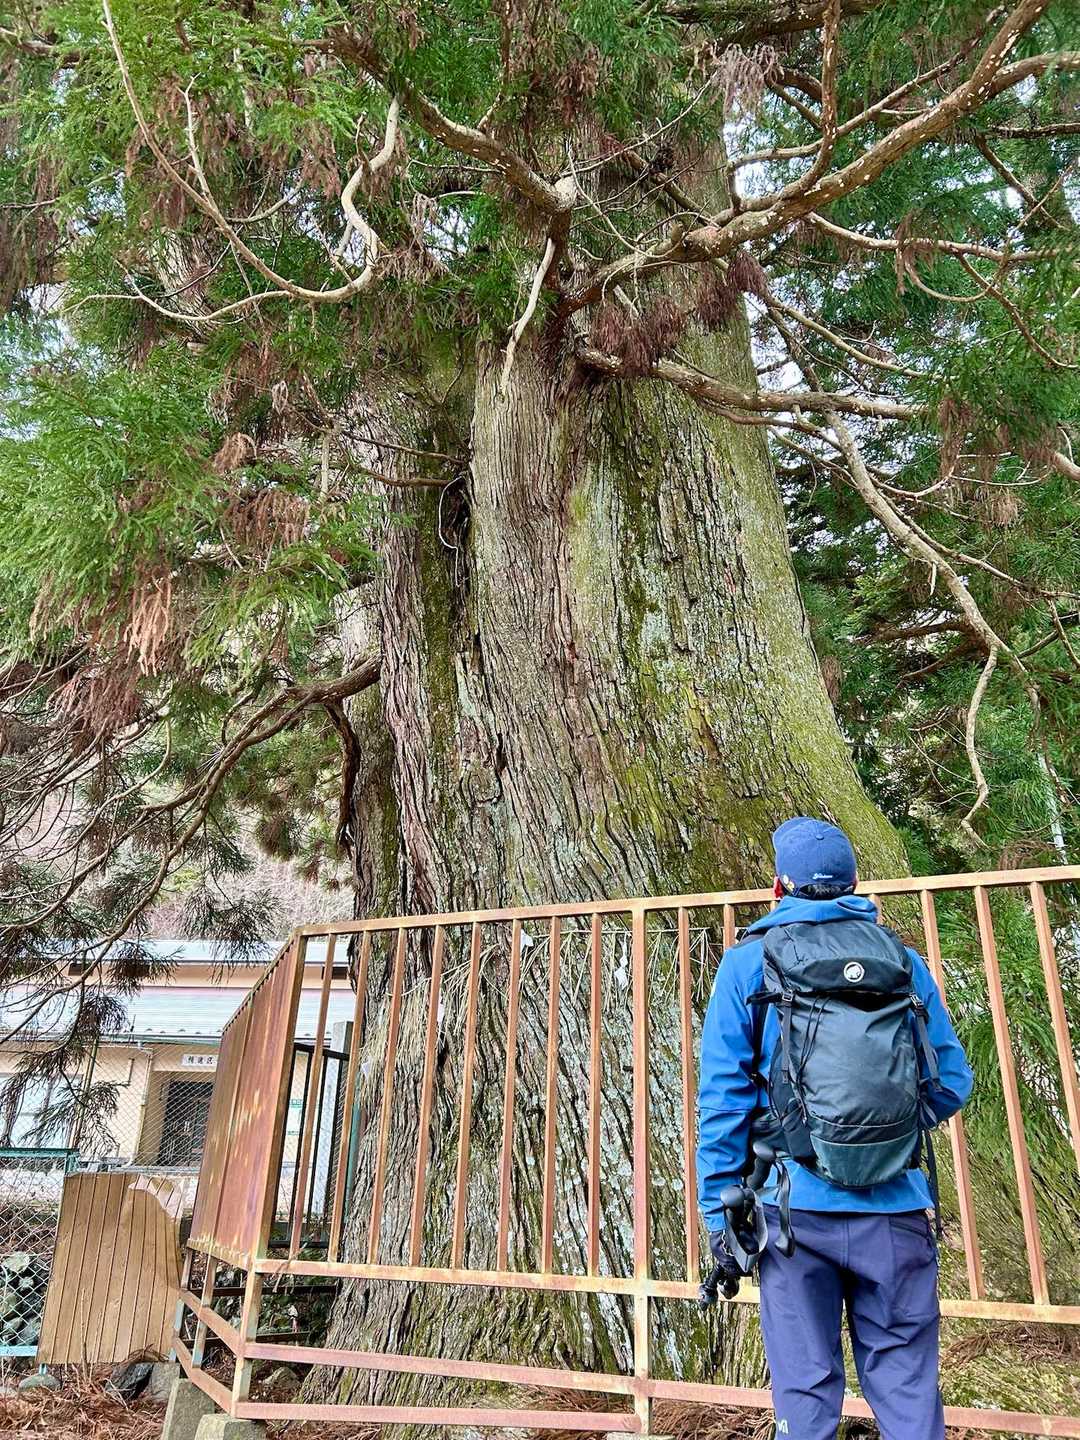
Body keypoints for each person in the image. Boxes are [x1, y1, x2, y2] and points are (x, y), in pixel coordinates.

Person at [697, 817, 973, 1440]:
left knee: (806, 1386)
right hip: (896, 1212)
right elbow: (952, 1080)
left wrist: (719, 1216)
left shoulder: (748, 964)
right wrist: (888, 1135)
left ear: (778, 887)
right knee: (907, 1383)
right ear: (854, 886)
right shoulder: (900, 961)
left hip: (794, 1215)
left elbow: (723, 1101)